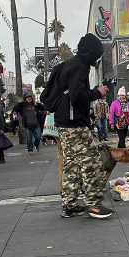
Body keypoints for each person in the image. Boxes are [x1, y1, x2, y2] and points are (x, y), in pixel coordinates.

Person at [48, 33, 112, 219]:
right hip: (74, 124)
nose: (97, 58)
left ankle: (69, 205)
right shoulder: (78, 67)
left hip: (64, 123)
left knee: (72, 164)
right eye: (97, 54)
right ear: (91, 53)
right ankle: (94, 205)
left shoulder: (70, 65)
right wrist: (97, 92)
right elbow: (77, 97)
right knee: (92, 162)